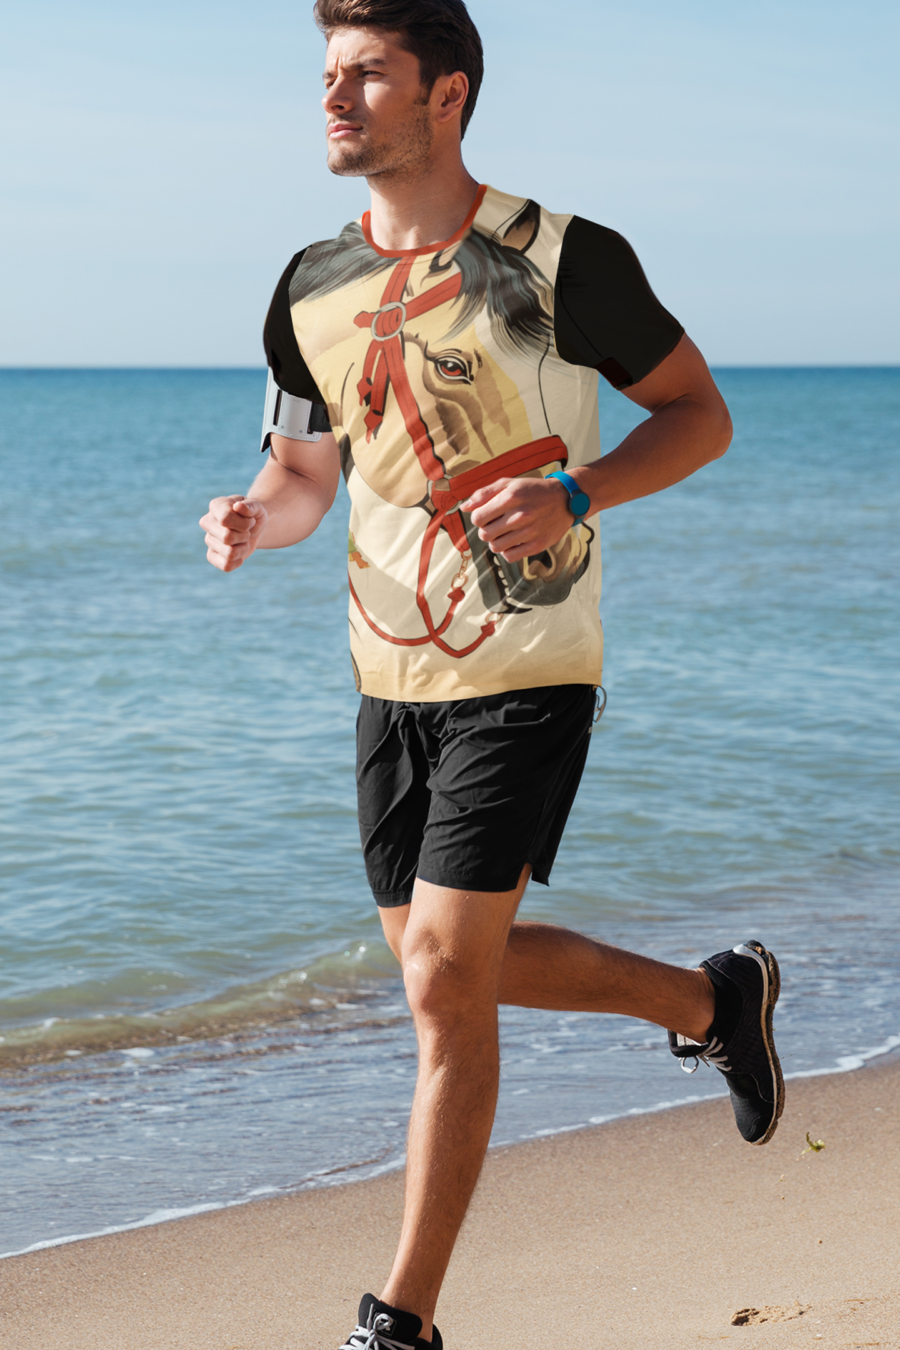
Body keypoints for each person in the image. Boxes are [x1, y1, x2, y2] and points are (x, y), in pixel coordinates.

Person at [200, 3, 784, 1346]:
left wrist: (578, 491)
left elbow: (701, 412)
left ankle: (398, 1319)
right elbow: (298, 479)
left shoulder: (563, 260)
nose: (335, 100)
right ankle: (713, 1001)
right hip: (386, 668)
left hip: (529, 659)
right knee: (443, 965)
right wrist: (249, 518)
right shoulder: (308, 287)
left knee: (439, 985)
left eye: (367, 75)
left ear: (445, 93)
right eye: (328, 76)